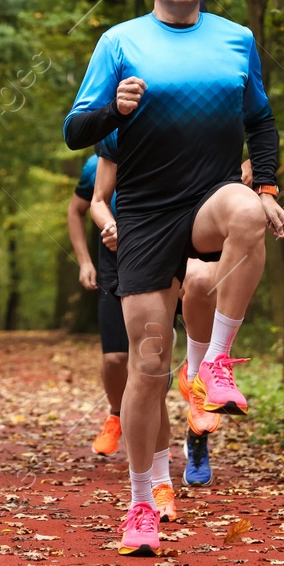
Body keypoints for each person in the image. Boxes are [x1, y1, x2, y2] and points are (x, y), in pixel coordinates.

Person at [63, 0, 284, 558]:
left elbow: (261, 120)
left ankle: (215, 361)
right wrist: (117, 108)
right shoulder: (119, 41)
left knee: (247, 209)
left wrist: (267, 189)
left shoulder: (236, 40)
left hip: (207, 201)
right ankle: (142, 498)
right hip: (142, 213)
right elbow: (76, 130)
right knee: (147, 363)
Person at [91, 145, 224, 503]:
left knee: (200, 286)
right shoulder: (117, 125)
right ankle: (158, 482)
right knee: (150, 370)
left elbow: (255, 139)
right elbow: (94, 201)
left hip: (194, 250)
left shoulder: (207, 110)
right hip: (144, 256)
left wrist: (259, 184)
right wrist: (110, 227)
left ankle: (197, 428)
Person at [67, 150, 127, 458]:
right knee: (116, 358)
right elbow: (76, 210)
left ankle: (153, 432)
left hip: (157, 261)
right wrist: (84, 261)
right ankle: (116, 415)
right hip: (112, 267)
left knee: (155, 358)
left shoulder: (165, 147)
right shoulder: (97, 165)